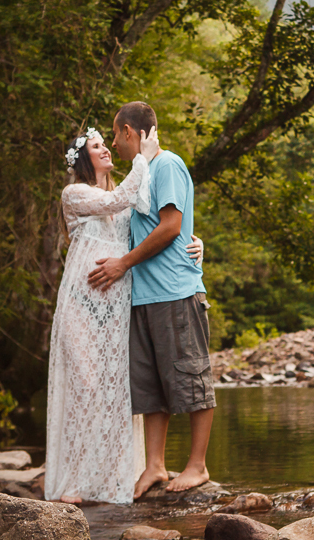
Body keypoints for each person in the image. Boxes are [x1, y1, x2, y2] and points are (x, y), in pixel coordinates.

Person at [45, 125, 203, 505]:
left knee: (116, 389)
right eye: (97, 146)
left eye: (106, 143)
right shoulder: (75, 193)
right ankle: (74, 481)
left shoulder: (125, 195)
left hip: (117, 306)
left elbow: (157, 225)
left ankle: (112, 476)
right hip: (82, 301)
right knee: (85, 386)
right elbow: (118, 199)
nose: (106, 149)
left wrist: (195, 242)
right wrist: (143, 159)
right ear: (83, 159)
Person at [88, 101, 215, 499]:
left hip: (176, 291)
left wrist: (123, 263)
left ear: (129, 131)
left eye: (115, 134)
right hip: (142, 296)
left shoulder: (167, 165)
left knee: (191, 378)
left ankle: (197, 466)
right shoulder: (139, 174)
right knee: (149, 386)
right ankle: (155, 466)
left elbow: (172, 226)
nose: (113, 143)